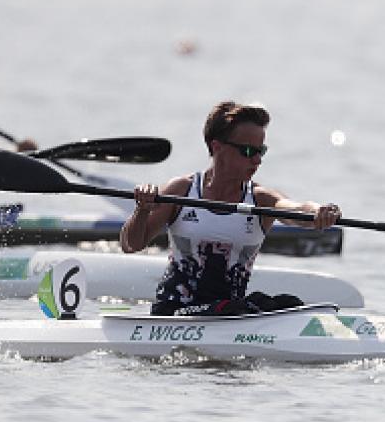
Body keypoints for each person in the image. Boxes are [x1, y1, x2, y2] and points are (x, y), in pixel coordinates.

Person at [120, 101, 340, 316]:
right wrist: (142, 210)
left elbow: (296, 211)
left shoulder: (261, 198)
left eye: (261, 151)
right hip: (174, 312)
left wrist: (319, 211)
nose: (257, 161)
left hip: (229, 313)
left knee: (287, 303)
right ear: (217, 147)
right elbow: (131, 245)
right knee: (239, 308)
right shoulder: (181, 190)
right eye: (247, 151)